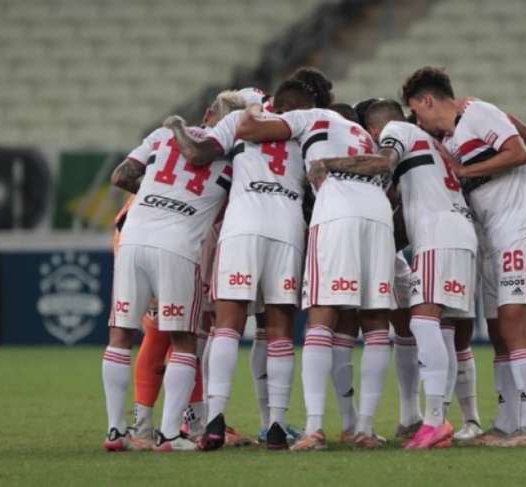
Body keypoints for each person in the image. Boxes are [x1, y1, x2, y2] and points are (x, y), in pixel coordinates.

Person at [235, 80, 396, 450]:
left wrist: (253, 105)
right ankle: (364, 429)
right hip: (378, 216)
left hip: (337, 214)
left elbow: (249, 128)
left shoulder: (309, 117)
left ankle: (314, 429)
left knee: (321, 318)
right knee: (374, 322)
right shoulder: (360, 133)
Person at [308, 98, 478, 449]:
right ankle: (422, 418)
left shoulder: (395, 133)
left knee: (422, 323)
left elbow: (384, 161)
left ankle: (434, 420)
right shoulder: (430, 143)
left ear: (374, 132)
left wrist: (328, 164)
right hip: (454, 231)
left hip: (437, 234)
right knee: (437, 326)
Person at [402, 67, 526, 447]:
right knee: (501, 328)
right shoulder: (452, 139)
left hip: (522, 226)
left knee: (516, 321)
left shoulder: (475, 113)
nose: (417, 120)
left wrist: (465, 169)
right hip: (491, 237)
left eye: (416, 111)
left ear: (427, 100)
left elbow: (520, 151)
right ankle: (506, 424)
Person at [165, 88, 305, 451]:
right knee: (279, 330)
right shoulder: (304, 126)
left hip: (242, 226)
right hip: (288, 229)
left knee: (226, 326)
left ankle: (214, 420)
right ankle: (275, 426)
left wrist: (178, 126)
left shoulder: (237, 121)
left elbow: (197, 155)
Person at [102, 93, 237, 452]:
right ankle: (170, 434)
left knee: (121, 334)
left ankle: (116, 432)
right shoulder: (237, 155)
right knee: (182, 340)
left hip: (132, 236)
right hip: (178, 245)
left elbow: (123, 175)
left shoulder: (160, 137)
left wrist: (157, 193)